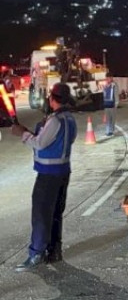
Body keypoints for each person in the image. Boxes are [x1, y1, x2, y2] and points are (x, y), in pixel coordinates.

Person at [10, 83, 77, 271]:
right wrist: (30, 131)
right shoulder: (69, 119)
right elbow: (56, 141)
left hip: (48, 176)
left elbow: (40, 144)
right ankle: (54, 251)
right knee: (55, 214)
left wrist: (22, 134)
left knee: (40, 215)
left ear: (52, 99)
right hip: (63, 172)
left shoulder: (55, 120)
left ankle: (36, 254)